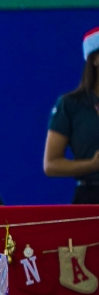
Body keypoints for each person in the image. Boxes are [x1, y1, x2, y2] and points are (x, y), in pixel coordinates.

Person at [44, 27, 99, 204]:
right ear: (95, 59)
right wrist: (92, 164)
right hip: (91, 197)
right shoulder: (70, 104)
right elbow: (51, 164)